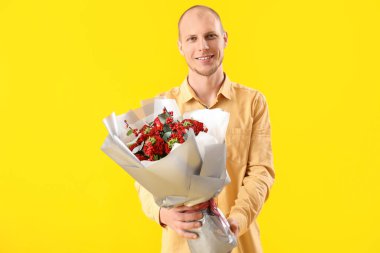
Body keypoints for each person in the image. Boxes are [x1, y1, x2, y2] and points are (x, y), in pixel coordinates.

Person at [135, 5, 275, 253]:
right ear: (180, 46)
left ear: (225, 38)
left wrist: (236, 221)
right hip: (180, 246)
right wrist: (163, 214)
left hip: (240, 244)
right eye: (192, 38)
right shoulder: (162, 107)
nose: (203, 47)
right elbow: (144, 180)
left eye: (210, 35)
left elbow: (261, 172)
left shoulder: (253, 102)